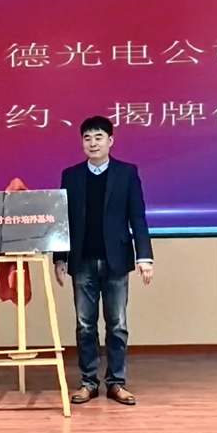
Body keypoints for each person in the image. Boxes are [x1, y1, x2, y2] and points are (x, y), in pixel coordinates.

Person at [53, 116, 154, 406]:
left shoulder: (127, 173)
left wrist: (144, 256)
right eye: (87, 138)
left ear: (110, 141)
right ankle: (88, 382)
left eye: (98, 137)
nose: (93, 143)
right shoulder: (71, 176)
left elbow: (137, 217)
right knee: (85, 325)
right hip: (82, 260)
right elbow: (63, 220)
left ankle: (116, 383)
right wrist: (59, 258)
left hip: (116, 260)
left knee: (117, 325)